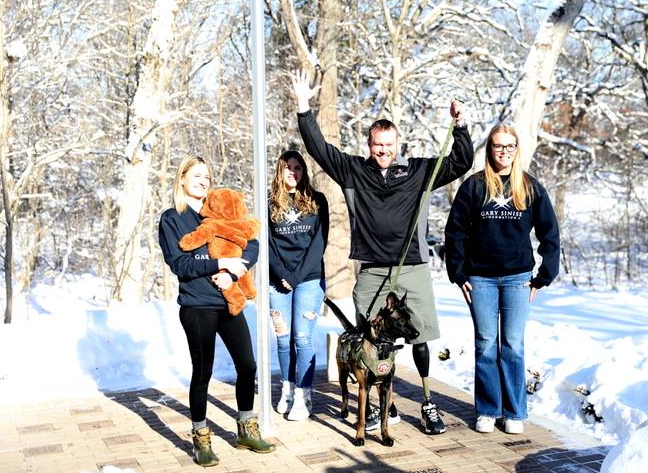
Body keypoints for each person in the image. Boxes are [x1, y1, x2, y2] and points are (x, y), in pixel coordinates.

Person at [290, 69, 474, 435]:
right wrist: (303, 106)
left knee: (420, 336)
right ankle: (378, 407)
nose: (383, 150)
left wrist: (461, 126)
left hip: (413, 268)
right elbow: (318, 149)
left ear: (397, 143)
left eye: (389, 144)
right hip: (372, 270)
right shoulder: (354, 170)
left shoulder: (419, 171)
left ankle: (427, 402)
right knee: (369, 342)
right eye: (377, 144)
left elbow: (461, 162)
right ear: (370, 143)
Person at [158, 155, 275, 467]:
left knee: (247, 366)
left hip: (229, 302)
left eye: (206, 176)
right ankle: (200, 436)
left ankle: (246, 428)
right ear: (181, 179)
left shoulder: (221, 208)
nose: (203, 181)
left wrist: (236, 272)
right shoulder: (172, 219)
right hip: (197, 307)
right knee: (203, 373)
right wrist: (219, 263)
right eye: (196, 175)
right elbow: (179, 263)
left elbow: (251, 243)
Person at [444, 124, 560, 435]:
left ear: (517, 149)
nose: (504, 151)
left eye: (510, 146)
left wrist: (542, 277)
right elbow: (454, 233)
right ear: (490, 149)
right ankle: (487, 409)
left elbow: (550, 235)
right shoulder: (474, 186)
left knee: (513, 345)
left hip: (517, 279)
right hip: (479, 278)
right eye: (498, 146)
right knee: (484, 345)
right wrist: (457, 272)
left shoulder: (531, 187)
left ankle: (514, 412)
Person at [267, 149, 329, 421]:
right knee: (283, 339)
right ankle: (287, 389)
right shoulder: (268, 203)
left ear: (304, 172)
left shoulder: (318, 201)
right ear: (279, 171)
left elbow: (319, 244)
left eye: (298, 168)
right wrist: (282, 273)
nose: (293, 172)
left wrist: (296, 276)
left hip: (309, 278)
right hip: (276, 279)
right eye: (287, 167)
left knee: (302, 338)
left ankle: (304, 395)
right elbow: (266, 244)